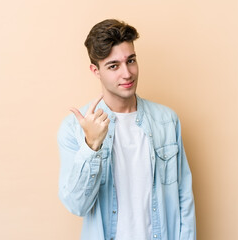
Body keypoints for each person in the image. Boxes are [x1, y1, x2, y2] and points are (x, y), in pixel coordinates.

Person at [57, 19, 196, 240]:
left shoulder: (167, 121)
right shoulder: (74, 128)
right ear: (96, 71)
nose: (127, 73)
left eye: (130, 61)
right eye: (114, 66)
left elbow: (184, 197)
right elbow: (77, 205)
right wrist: (91, 147)